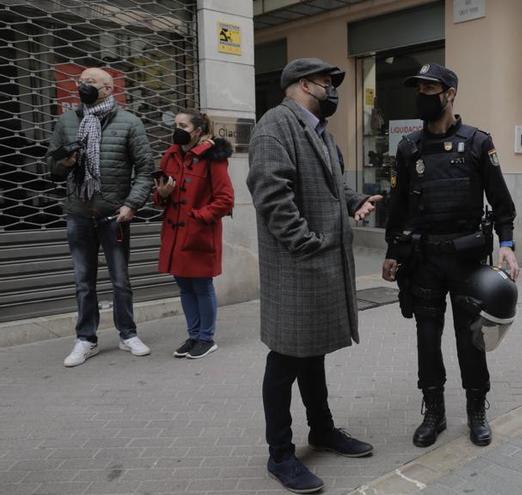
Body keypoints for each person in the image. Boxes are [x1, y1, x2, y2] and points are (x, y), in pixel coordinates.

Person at [247, 58, 382, 493]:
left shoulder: (318, 131)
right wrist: (306, 242)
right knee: (286, 357)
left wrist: (355, 199)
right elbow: (271, 195)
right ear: (304, 84)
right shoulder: (275, 126)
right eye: (328, 82)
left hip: (316, 266)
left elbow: (332, 186)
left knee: (313, 351)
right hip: (296, 266)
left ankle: (321, 429)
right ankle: (280, 454)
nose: (333, 90)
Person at [382, 63, 519, 449]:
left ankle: (477, 410)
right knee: (427, 339)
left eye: (431, 88)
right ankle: (434, 412)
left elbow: (503, 205)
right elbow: (400, 209)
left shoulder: (478, 143)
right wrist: (394, 251)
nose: (423, 95)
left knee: (470, 340)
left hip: (467, 261)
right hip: (424, 262)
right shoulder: (409, 148)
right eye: (419, 89)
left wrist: (506, 246)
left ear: (450, 94)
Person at [47, 67, 154, 367]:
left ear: (108, 89)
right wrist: (65, 162)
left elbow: (145, 170)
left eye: (90, 82)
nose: (83, 86)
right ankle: (86, 339)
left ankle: (127, 334)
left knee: (121, 280)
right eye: (80, 82)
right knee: (83, 281)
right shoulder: (67, 121)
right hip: (78, 213)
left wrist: (131, 204)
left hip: (113, 216)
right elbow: (51, 166)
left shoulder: (130, 122)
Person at [154, 110, 234, 359]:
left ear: (198, 130)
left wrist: (199, 217)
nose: (177, 129)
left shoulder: (213, 157)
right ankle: (193, 335)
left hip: (198, 233)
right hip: (175, 234)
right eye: (176, 124)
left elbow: (226, 199)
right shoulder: (170, 155)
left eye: (184, 125)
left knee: (201, 285)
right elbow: (158, 197)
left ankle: (206, 338)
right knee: (184, 286)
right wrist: (163, 194)